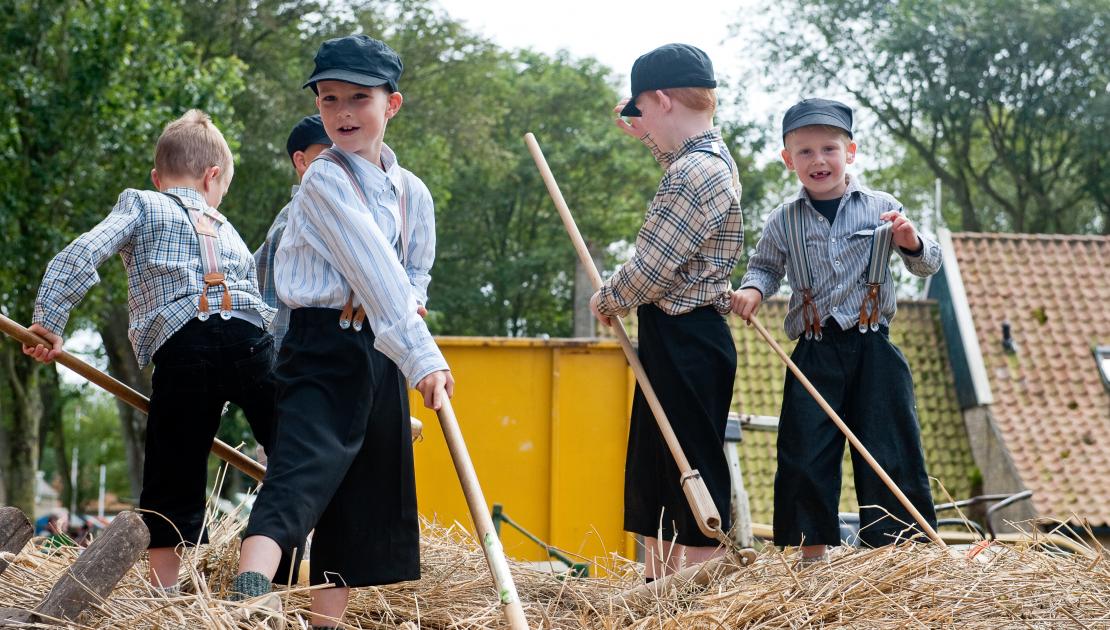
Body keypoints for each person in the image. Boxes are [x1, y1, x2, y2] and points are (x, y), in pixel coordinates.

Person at [230, 34, 452, 630]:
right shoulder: (323, 179)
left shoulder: (413, 192)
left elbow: (411, 272)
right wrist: (423, 358)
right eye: (330, 100)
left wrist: (409, 309)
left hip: (377, 348)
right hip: (321, 345)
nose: (343, 113)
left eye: (359, 98)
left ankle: (328, 622)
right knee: (303, 467)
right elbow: (376, 272)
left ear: (392, 105)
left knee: (362, 493)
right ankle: (246, 597)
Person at [23, 110, 276, 591]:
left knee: (173, 467)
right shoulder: (231, 231)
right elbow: (262, 304)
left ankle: (166, 593)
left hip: (186, 347)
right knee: (290, 454)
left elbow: (81, 252)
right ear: (213, 176)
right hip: (249, 340)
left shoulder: (142, 203)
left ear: (158, 177)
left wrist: (50, 319)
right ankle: (266, 566)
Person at [731, 98, 942, 564]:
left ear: (851, 152)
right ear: (788, 160)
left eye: (829, 148)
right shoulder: (783, 219)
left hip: (873, 349)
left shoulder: (883, 208)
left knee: (888, 447)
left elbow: (929, 264)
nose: (818, 160)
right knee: (805, 451)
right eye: (804, 152)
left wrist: (910, 241)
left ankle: (895, 555)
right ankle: (814, 558)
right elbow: (765, 268)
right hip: (815, 349)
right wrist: (752, 290)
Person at [592, 43, 743, 581]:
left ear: (659, 98)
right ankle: (658, 589)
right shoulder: (702, 162)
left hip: (687, 337)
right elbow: (675, 161)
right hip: (678, 335)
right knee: (659, 466)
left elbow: (652, 268)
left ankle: (692, 593)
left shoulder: (692, 175)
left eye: (641, 112)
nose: (640, 123)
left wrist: (607, 298)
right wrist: (646, 136)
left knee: (687, 467)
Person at [254, 114, 332, 352]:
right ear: (302, 161)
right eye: (330, 153)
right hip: (298, 360)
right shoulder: (292, 225)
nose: (342, 162)